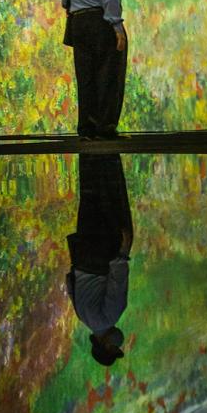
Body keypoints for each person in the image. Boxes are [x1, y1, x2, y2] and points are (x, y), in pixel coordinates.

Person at [66, 154, 133, 366]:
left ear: (104, 345)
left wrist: (123, 251)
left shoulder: (110, 317)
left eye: (114, 348)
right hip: (83, 253)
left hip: (103, 253)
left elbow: (117, 283)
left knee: (111, 198)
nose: (118, 344)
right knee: (89, 196)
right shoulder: (82, 317)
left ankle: (107, 153)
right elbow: (69, 283)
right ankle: (88, 151)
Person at [61, 0, 128, 140]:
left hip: (78, 25)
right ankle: (105, 128)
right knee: (108, 75)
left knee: (86, 78)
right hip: (100, 24)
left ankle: (86, 129)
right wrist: (117, 29)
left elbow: (65, 0)